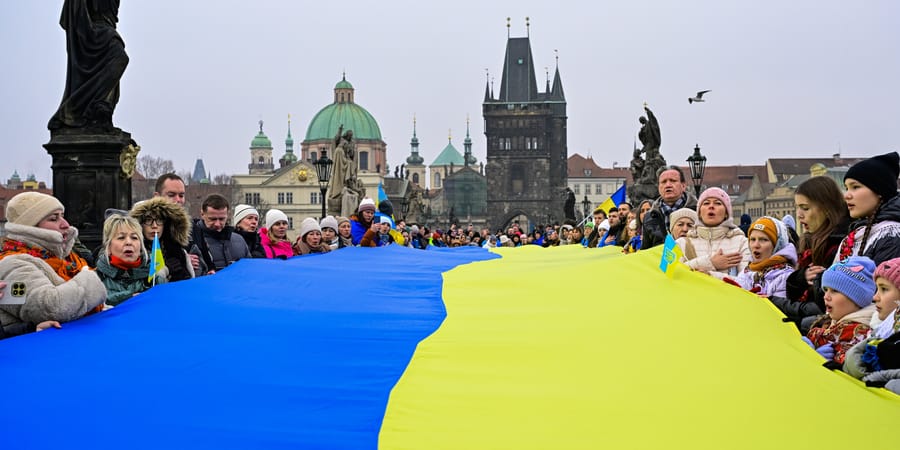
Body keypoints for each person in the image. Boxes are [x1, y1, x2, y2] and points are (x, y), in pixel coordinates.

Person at [0, 192, 106, 338]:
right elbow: (49, 308)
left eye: (62, 216)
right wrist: (90, 280)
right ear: (30, 227)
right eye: (54, 218)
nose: (66, 224)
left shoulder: (68, 258)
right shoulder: (11, 264)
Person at [777, 176, 849, 333]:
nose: (799, 215)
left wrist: (774, 302)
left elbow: (823, 306)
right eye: (797, 207)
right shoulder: (808, 242)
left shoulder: (841, 245)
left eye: (805, 208)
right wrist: (800, 278)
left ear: (827, 208)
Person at [48, 0, 129, 131]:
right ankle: (89, 106)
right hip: (93, 30)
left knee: (116, 63)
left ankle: (99, 108)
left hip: (108, 30)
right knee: (120, 58)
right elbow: (70, 12)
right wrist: (86, 29)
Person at [805, 256, 877, 366]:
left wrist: (815, 360)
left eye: (834, 291)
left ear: (857, 298)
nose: (826, 296)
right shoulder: (828, 323)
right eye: (826, 290)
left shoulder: (861, 335)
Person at [835, 152, 900, 265]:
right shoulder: (860, 232)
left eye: (855, 187)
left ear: (879, 190)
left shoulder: (891, 235)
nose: (846, 195)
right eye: (846, 188)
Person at [677, 187, 749, 280]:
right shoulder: (680, 243)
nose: (711, 206)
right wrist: (710, 263)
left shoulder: (742, 242)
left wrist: (711, 276)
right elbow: (667, 274)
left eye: (718, 203)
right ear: (699, 213)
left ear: (726, 213)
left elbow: (747, 282)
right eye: (706, 203)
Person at [95, 214, 159, 306]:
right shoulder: (95, 280)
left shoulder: (155, 280)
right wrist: (127, 298)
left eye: (134, 238)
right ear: (108, 247)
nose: (129, 242)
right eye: (121, 237)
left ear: (141, 246)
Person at [130, 197, 198, 282]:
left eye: (159, 220)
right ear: (139, 224)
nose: (154, 225)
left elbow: (190, 283)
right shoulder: (132, 252)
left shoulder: (178, 252)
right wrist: (165, 270)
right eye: (148, 220)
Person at [734, 217, 797, 298]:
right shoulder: (745, 273)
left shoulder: (786, 277)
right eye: (753, 239)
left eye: (763, 240)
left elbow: (781, 305)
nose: (756, 245)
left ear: (776, 245)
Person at [642, 166, 698, 250]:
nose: (668, 185)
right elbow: (646, 249)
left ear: (683, 186)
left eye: (673, 181)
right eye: (663, 182)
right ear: (658, 187)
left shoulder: (698, 211)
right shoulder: (650, 216)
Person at [192, 194, 250, 272]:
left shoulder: (239, 240)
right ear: (202, 214)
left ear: (228, 215)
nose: (217, 224)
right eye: (212, 219)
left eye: (222, 219)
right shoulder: (193, 241)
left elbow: (249, 269)